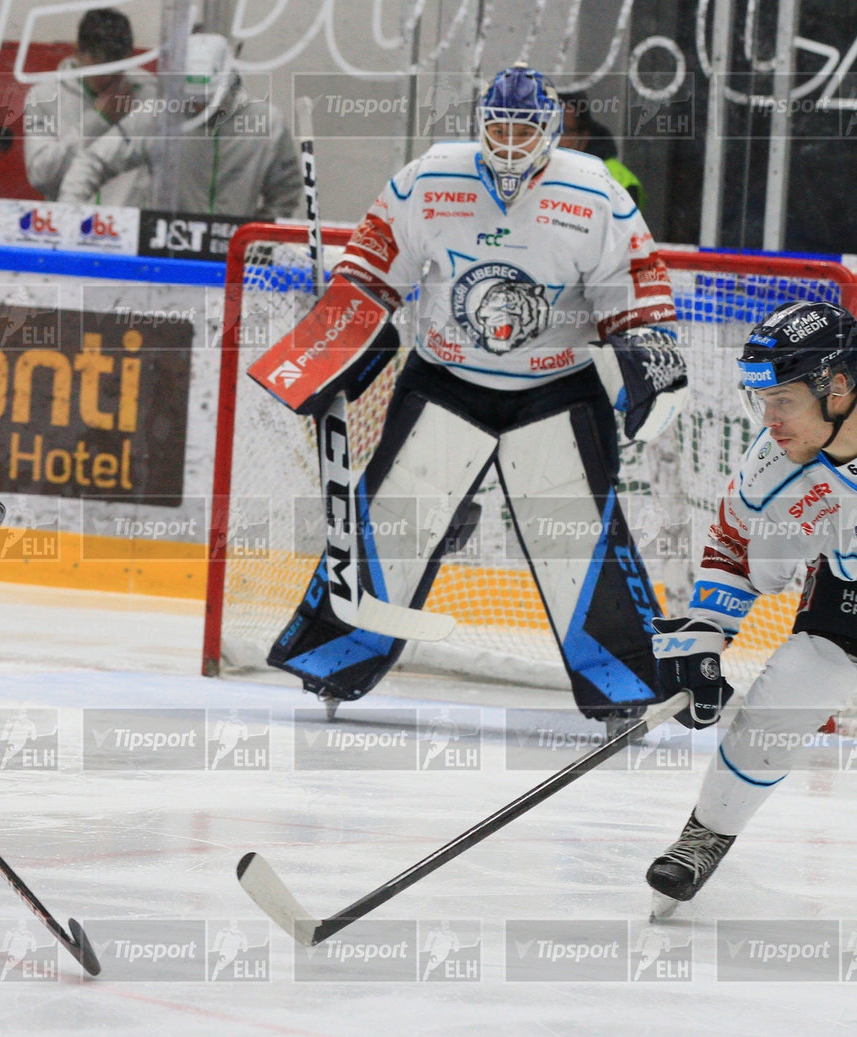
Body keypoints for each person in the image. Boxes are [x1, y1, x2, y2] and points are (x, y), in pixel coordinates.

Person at [249, 63, 688, 729]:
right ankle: (332, 659)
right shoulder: (432, 176)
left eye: (523, 129)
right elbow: (372, 263)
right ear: (479, 124)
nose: (510, 142)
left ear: (550, 131)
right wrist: (338, 336)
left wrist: (647, 356)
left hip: (557, 386)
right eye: (499, 126)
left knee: (575, 536)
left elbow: (635, 284)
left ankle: (622, 683)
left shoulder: (592, 190)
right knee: (394, 520)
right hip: (446, 378)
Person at [647, 301, 857, 915]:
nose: (769, 420)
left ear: (838, 387)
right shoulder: (774, 463)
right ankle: (705, 834)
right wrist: (707, 631)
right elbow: (736, 544)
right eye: (761, 401)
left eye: (783, 401)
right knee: (788, 691)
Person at [56, 31, 302, 219]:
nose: (195, 107)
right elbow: (93, 161)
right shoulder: (160, 117)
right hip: (165, 253)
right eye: (189, 97)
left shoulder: (268, 125)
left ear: (227, 83)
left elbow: (286, 191)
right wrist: (67, 216)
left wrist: (254, 237)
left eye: (204, 99)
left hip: (233, 259)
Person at [22, 7, 154, 206]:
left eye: (119, 67)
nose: (111, 76)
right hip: (71, 220)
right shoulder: (44, 97)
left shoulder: (149, 92)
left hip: (131, 224)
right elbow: (40, 177)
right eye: (102, 66)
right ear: (78, 53)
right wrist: (98, 122)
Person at [558, 91, 645, 210]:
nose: (553, 139)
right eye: (545, 130)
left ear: (584, 137)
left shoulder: (617, 181)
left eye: (563, 132)